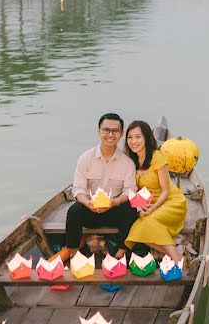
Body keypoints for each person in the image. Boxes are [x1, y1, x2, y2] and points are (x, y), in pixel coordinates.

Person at [52, 113, 138, 262]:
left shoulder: (127, 162)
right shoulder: (86, 158)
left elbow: (130, 189)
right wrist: (87, 203)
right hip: (90, 210)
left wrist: (115, 201)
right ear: (99, 131)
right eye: (106, 130)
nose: (110, 134)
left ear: (121, 134)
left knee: (130, 208)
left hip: (113, 210)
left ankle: (120, 252)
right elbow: (78, 188)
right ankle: (73, 254)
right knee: (74, 210)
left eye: (115, 131)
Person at [123, 120, 187, 263]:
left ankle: (177, 262)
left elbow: (165, 190)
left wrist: (155, 206)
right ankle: (175, 253)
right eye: (130, 137)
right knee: (138, 232)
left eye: (138, 137)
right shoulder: (129, 159)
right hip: (147, 202)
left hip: (169, 201)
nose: (133, 141)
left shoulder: (157, 158)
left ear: (146, 138)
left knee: (150, 222)